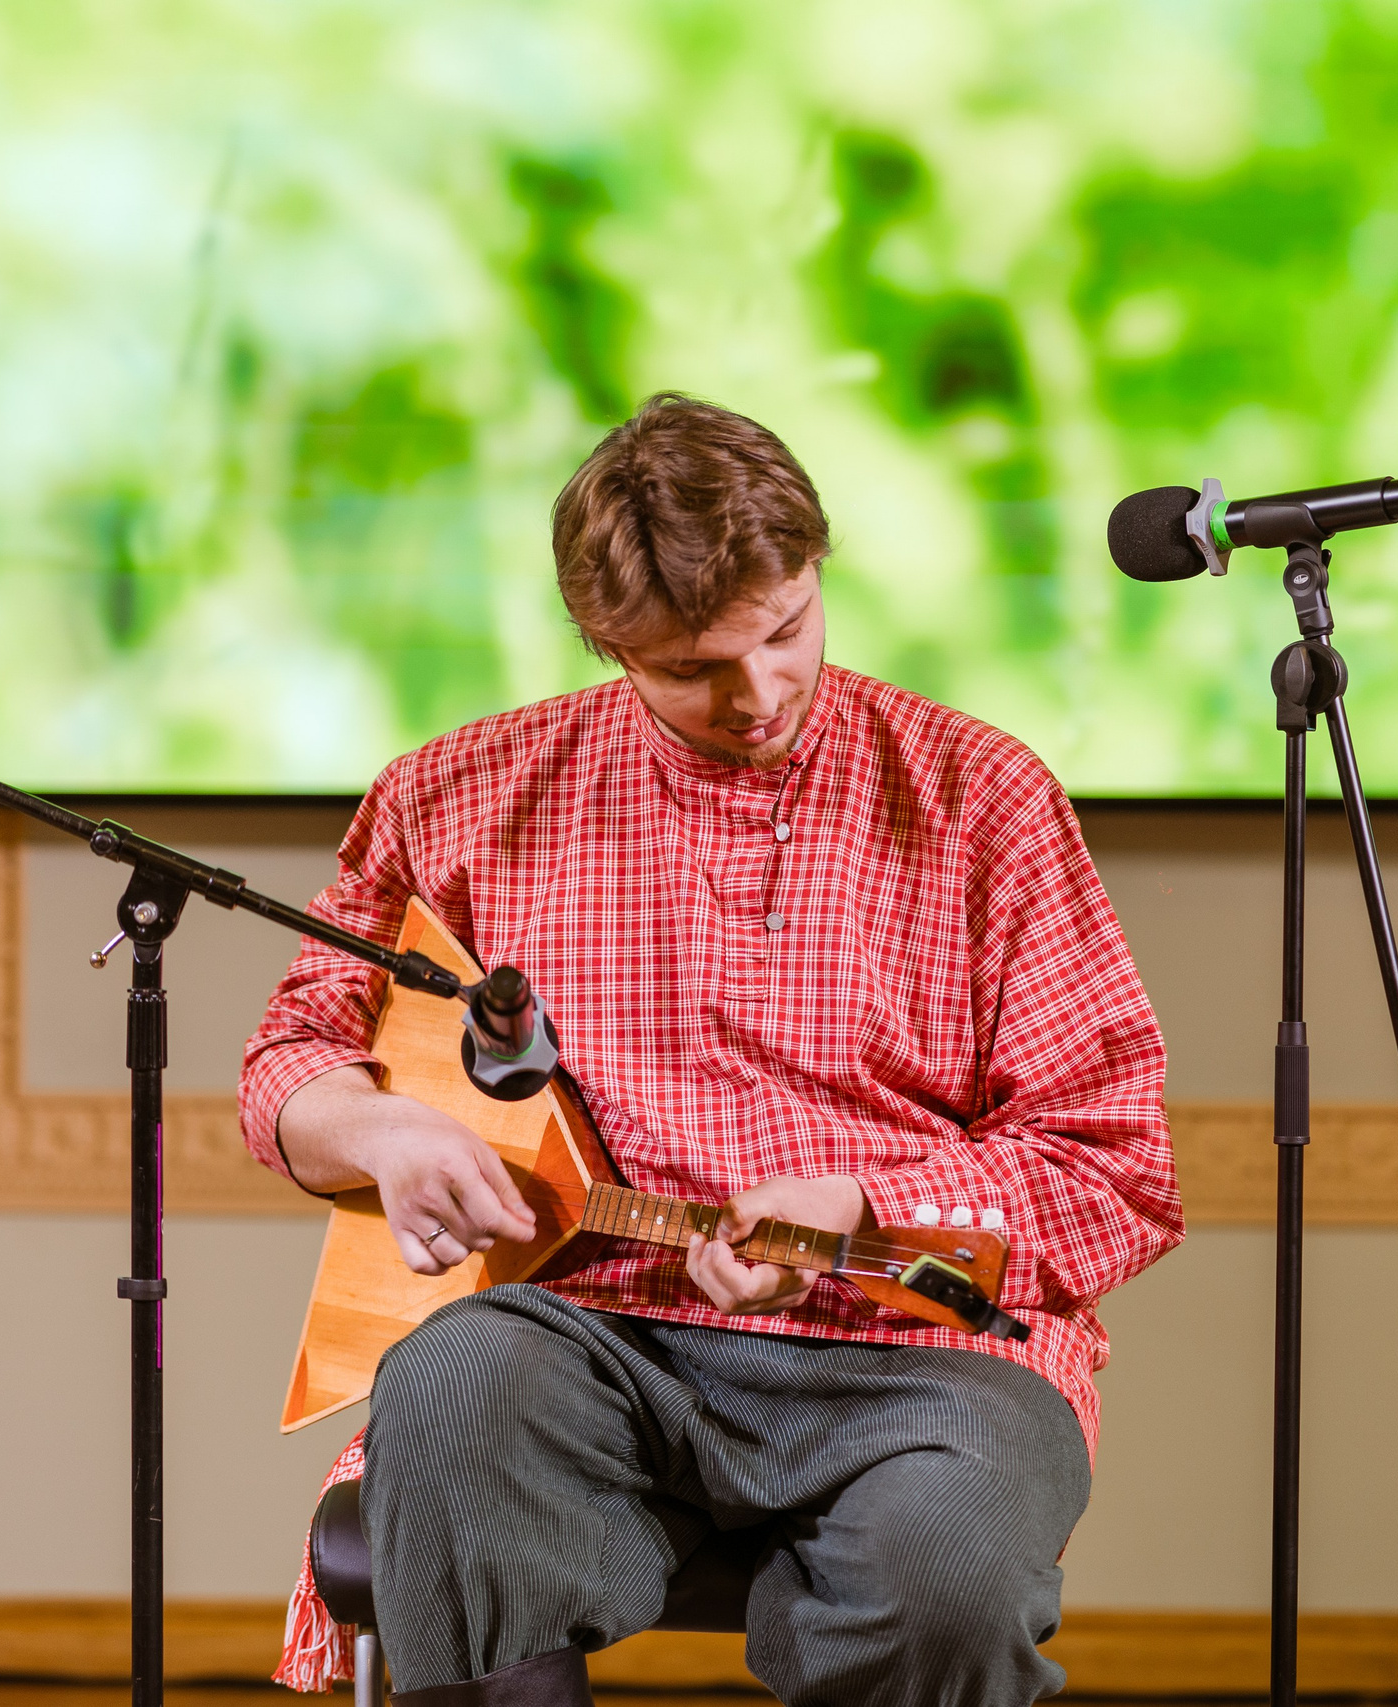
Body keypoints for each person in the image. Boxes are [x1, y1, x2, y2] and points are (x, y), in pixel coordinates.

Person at [240, 394, 1182, 1707]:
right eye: (693, 669)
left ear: (817, 566)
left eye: (786, 630)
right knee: (449, 1380)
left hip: (927, 1354)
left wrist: (860, 1210)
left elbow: (1114, 1173)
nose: (759, 695)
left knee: (943, 1574)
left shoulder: (985, 798)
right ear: (606, 642)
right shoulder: (456, 798)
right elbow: (293, 1058)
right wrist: (382, 1131)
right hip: (589, 1340)